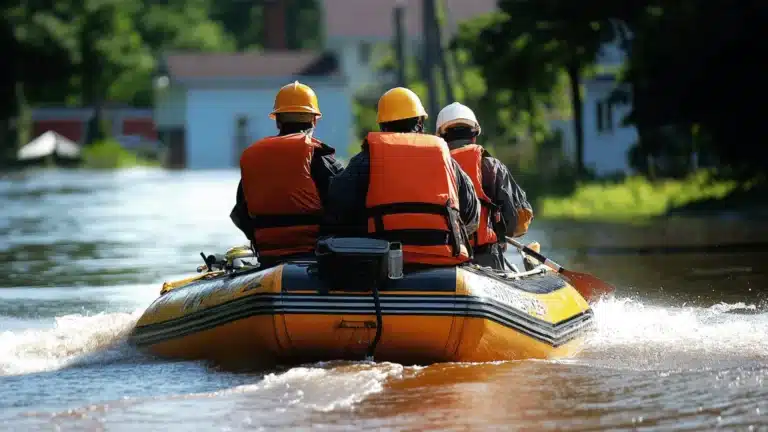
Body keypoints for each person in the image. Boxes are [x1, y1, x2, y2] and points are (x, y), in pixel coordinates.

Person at [325, 87, 480, 266]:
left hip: (381, 259)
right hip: (441, 257)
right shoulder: (446, 160)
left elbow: (337, 209)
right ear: (420, 124)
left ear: (382, 126)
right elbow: (471, 214)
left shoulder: (364, 161)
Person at [230, 81, 344, 266]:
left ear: (277, 121)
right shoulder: (319, 157)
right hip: (314, 253)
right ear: (314, 120)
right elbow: (346, 202)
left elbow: (240, 213)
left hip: (268, 255)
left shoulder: (254, 158)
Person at [436, 102, 534, 270]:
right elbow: (515, 223)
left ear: (441, 138)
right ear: (474, 136)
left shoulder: (434, 167)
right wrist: (498, 231)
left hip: (444, 258)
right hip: (486, 258)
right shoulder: (491, 167)